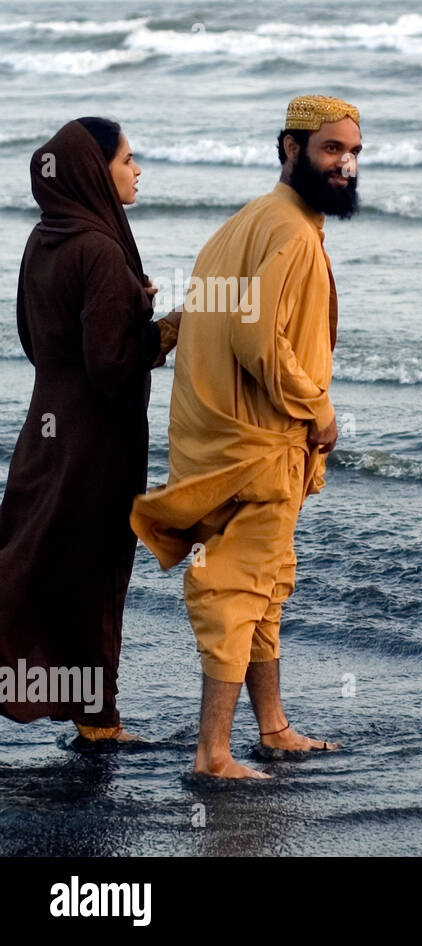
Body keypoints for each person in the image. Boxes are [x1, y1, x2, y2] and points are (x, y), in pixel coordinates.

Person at [130, 95, 360, 779]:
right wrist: (317, 407)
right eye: (330, 149)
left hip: (217, 443)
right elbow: (259, 340)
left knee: (265, 586)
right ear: (290, 149)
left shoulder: (244, 224)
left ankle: (274, 728)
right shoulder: (288, 232)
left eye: (352, 152)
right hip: (260, 447)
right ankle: (213, 755)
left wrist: (156, 336)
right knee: (235, 589)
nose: (344, 163)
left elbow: (207, 308)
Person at [0, 118, 181, 741]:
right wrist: (162, 330)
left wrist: (130, 304)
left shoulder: (43, 238)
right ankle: (98, 723)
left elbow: (34, 335)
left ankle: (69, 704)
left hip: (44, 429)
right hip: (95, 442)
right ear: (92, 171)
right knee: (94, 572)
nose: (136, 171)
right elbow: (111, 368)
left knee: (33, 561)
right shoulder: (101, 249)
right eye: (128, 160)